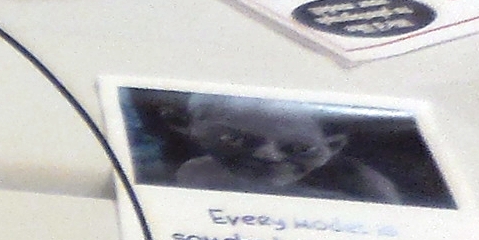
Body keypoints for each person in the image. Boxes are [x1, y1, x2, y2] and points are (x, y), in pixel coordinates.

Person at [171, 98, 403, 203]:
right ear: (192, 128)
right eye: (234, 138)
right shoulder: (198, 174)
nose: (267, 155)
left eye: (299, 148)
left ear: (334, 146)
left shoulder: (364, 189)